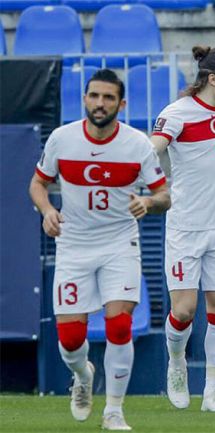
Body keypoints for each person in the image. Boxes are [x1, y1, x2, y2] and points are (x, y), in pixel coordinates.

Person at [29, 69, 170, 431]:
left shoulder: (137, 144)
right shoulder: (62, 139)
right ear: (85, 100)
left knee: (119, 325)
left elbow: (164, 195)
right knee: (71, 339)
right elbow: (38, 183)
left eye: (108, 98)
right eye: (94, 96)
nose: (100, 103)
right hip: (74, 243)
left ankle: (114, 411)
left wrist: (148, 203)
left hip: (119, 241)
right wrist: (47, 210)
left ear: (121, 104)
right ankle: (83, 375)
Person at [151, 46, 215, 412]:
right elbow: (154, 148)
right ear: (213, 79)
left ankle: (212, 393)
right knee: (186, 310)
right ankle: (177, 363)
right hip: (186, 227)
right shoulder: (177, 113)